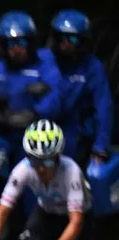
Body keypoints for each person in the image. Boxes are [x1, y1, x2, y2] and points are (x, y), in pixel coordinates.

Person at [0, 12, 68, 166]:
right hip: (2, 135)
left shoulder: (44, 64)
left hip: (36, 135)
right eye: (11, 44)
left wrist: (35, 114)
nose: (16, 49)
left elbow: (56, 95)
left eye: (21, 43)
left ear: (30, 43)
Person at [47, 10, 113, 166]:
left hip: (77, 135)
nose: (67, 43)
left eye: (73, 39)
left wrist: (100, 147)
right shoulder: (43, 60)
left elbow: (103, 107)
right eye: (62, 37)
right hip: (42, 129)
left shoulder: (92, 67)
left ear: (83, 41)